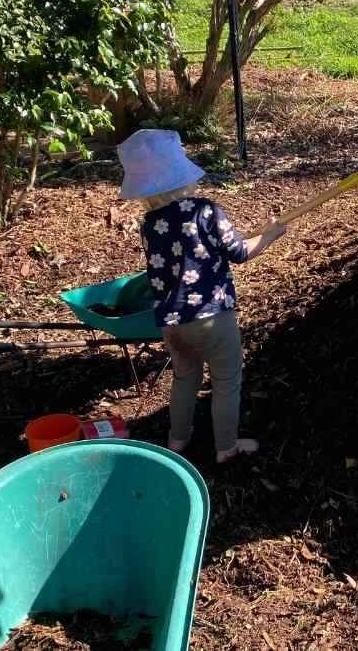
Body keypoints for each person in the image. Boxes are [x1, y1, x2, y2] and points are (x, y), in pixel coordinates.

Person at [117, 129, 286, 464]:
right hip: (212, 317)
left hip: (172, 322)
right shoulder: (205, 210)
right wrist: (269, 236)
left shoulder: (150, 223)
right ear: (183, 174)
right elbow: (239, 252)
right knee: (226, 381)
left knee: (185, 378)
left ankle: (177, 440)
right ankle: (226, 447)